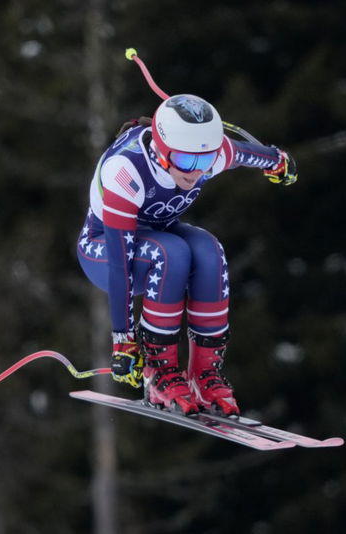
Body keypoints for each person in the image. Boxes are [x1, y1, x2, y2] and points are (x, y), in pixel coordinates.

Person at [77, 94, 297, 416]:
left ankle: (204, 375)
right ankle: (159, 373)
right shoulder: (126, 170)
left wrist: (278, 161)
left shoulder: (206, 155)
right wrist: (123, 340)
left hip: (158, 235)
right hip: (103, 250)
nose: (194, 172)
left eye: (204, 162)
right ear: (162, 150)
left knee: (210, 252)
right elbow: (119, 262)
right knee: (172, 254)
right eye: (185, 161)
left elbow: (246, 154)